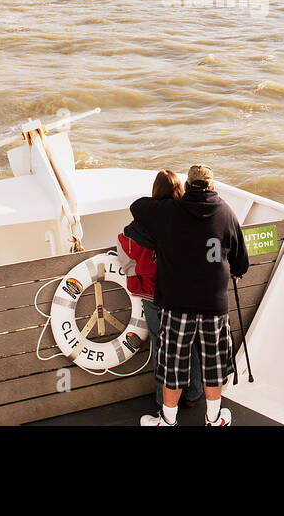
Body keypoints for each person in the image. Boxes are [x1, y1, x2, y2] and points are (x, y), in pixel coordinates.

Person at [128, 164, 249, 426]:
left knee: (173, 364)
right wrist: (233, 270)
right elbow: (241, 263)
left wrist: (171, 197)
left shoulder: (171, 212)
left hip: (177, 304)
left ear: (187, 185)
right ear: (212, 186)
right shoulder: (227, 213)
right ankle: (214, 418)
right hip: (213, 304)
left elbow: (137, 206)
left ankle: (167, 420)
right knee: (214, 365)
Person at [116, 170, 203, 410]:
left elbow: (125, 250)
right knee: (190, 342)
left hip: (151, 295)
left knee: (161, 346)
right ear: (179, 190)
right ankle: (194, 392)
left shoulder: (141, 223)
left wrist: (137, 271)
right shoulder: (187, 218)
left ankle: (162, 400)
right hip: (182, 294)